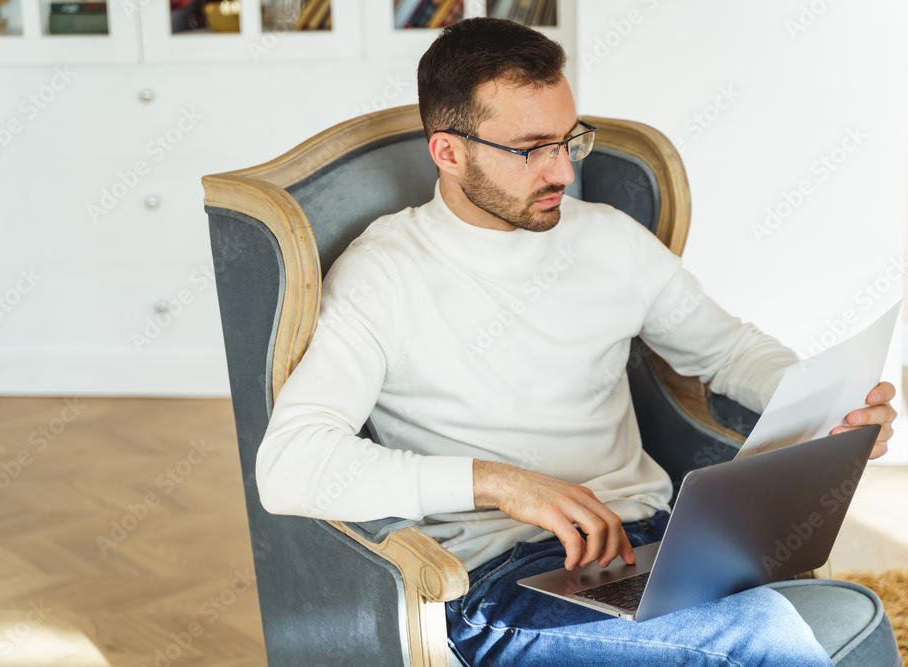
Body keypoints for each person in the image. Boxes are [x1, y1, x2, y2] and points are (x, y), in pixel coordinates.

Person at [255, 17, 898, 666]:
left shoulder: (608, 239)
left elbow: (729, 351)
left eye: (569, 139)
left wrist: (831, 407)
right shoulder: (383, 274)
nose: (563, 169)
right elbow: (289, 466)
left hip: (663, 542)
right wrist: (501, 483)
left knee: (823, 622)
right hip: (505, 578)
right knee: (766, 635)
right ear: (449, 152)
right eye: (532, 148)